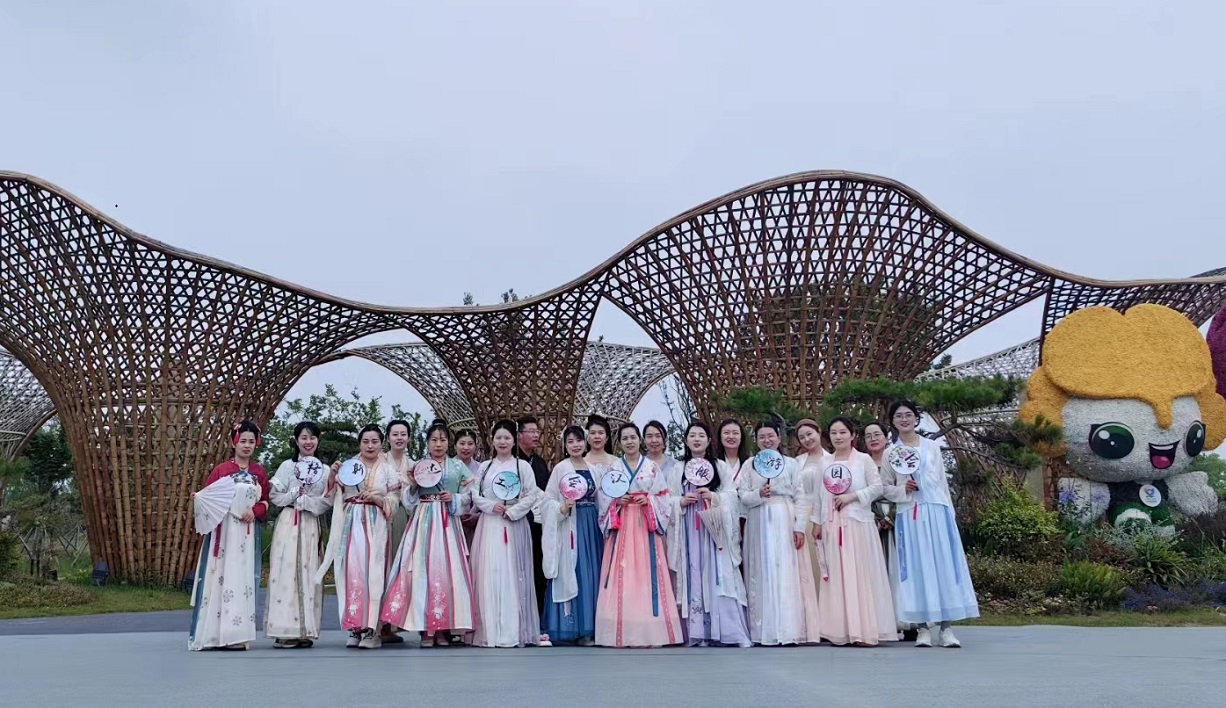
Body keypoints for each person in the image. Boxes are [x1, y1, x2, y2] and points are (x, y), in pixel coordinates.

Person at [884, 400, 979, 648]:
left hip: (937, 511)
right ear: (892, 421)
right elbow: (885, 488)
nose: (904, 419)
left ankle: (947, 629)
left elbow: (941, 482)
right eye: (898, 416)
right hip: (910, 513)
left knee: (942, 566)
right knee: (917, 568)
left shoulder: (932, 447)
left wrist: (949, 512)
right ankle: (923, 628)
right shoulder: (890, 452)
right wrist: (903, 489)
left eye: (908, 415)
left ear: (916, 418)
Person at [382, 419, 476, 646]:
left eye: (442, 440)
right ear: (427, 443)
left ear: (449, 442)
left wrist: (454, 498)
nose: (438, 444)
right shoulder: (420, 466)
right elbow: (407, 499)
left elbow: (472, 493)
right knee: (422, 571)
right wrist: (414, 484)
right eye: (434, 440)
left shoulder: (457, 467)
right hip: (423, 520)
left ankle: (443, 628)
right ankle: (425, 628)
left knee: (447, 572)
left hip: (448, 522)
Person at [809, 417, 898, 646]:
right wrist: (817, 522)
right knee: (837, 576)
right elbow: (819, 496)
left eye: (843, 432)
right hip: (832, 526)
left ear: (852, 435)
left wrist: (853, 497)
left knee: (860, 576)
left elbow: (877, 487)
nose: (838, 436)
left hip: (858, 525)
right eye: (834, 433)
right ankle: (841, 630)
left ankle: (865, 630)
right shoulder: (824, 463)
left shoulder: (863, 460)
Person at [595, 423, 681, 647]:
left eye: (633, 437)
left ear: (639, 440)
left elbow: (663, 495)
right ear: (619, 443)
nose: (629, 442)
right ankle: (621, 627)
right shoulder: (613, 468)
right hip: (622, 524)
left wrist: (649, 500)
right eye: (625, 439)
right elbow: (602, 497)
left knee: (646, 572)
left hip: (645, 523)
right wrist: (616, 501)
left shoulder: (652, 467)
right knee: (622, 573)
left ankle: (650, 627)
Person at [189, 421, 271, 651]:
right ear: (234, 442)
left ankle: (236, 634)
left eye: (251, 441)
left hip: (246, 534)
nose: (247, 445)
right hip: (223, 533)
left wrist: (255, 511)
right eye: (242, 441)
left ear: (256, 444)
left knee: (242, 579)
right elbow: (208, 498)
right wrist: (199, 498)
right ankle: (214, 634)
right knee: (220, 577)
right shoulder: (221, 470)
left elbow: (266, 501)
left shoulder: (259, 472)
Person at [737, 420, 820, 645]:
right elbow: (742, 495)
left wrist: (799, 526)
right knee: (761, 569)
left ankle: (789, 628)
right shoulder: (749, 465)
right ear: (756, 440)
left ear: (778, 438)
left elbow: (800, 496)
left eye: (770, 436)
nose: (767, 440)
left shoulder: (790, 464)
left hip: (784, 516)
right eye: (762, 437)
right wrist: (758, 494)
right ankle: (763, 629)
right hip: (758, 518)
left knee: (786, 569)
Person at [317, 424, 401, 649]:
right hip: (351, 524)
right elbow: (333, 495)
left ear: (381, 443)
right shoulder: (348, 466)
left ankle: (373, 630)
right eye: (365, 441)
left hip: (376, 525)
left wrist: (378, 500)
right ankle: (355, 627)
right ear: (359, 443)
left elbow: (395, 498)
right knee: (352, 572)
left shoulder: (388, 470)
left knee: (374, 573)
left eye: (374, 441)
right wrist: (333, 475)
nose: (370, 446)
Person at [668, 421, 751, 648]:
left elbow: (731, 495)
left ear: (709, 440)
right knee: (693, 570)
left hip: (714, 530)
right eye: (692, 435)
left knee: (717, 572)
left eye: (701, 435)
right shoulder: (678, 468)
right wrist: (680, 501)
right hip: (688, 529)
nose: (697, 439)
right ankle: (696, 631)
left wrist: (714, 497)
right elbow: (668, 498)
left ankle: (722, 629)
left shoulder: (720, 466)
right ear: (685, 441)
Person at [469, 419, 542, 648]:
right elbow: (475, 493)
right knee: (490, 573)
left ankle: (512, 631)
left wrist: (513, 510)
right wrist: (491, 506)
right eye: (498, 437)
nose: (502, 442)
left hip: (513, 523)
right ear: (492, 440)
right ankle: (490, 630)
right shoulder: (485, 467)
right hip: (490, 524)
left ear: (514, 440)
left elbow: (531, 494)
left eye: (507, 438)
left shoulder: (522, 467)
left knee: (512, 573)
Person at [265, 421, 331, 648]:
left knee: (309, 572)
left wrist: (308, 502)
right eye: (303, 437)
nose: (308, 442)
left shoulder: (325, 470)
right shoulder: (287, 466)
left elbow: (327, 501)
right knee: (286, 572)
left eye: (312, 437)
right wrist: (293, 495)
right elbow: (274, 495)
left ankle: (305, 630)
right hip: (289, 523)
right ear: (296, 440)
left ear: (318, 440)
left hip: (311, 524)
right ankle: (284, 629)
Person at [538, 425, 603, 645]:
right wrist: (562, 508)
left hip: (591, 526)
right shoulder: (561, 468)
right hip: (570, 525)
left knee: (591, 572)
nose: (575, 445)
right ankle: (570, 626)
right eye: (570, 441)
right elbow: (547, 501)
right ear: (565, 445)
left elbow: (602, 499)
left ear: (586, 442)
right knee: (571, 570)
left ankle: (589, 629)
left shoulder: (594, 469)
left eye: (579, 440)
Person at [865, 420, 915, 640]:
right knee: (877, 573)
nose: (873, 439)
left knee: (900, 571)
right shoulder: (862, 462)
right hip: (871, 522)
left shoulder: (898, 458)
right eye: (868, 436)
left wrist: (890, 516)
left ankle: (909, 621)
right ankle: (882, 622)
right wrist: (877, 517)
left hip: (898, 520)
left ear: (886, 436)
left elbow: (906, 489)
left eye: (877, 434)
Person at [380, 419, 416, 646]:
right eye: (395, 434)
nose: (399, 438)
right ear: (388, 437)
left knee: (400, 566)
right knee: (381, 566)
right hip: (381, 515)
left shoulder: (413, 464)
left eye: (403, 434)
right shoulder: (380, 460)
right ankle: (378, 623)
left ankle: (392, 622)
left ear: (409, 438)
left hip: (404, 517)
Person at [516, 414, 551, 644]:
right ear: (519, 435)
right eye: (531, 431)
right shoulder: (512, 462)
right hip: (516, 522)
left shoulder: (539, 462)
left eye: (537, 431)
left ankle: (537, 621)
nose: (536, 435)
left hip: (538, 526)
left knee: (538, 572)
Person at [456, 429, 481, 549]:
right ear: (455, 445)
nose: (466, 447)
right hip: (453, 519)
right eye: (462, 443)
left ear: (475, 446)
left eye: (470, 444)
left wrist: (477, 515)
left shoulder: (482, 468)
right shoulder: (447, 467)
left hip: (476, 520)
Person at [714, 418, 749, 486]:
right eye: (726, 433)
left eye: (735, 433)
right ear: (720, 437)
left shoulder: (749, 463)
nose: (731, 436)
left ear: (741, 437)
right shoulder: (713, 462)